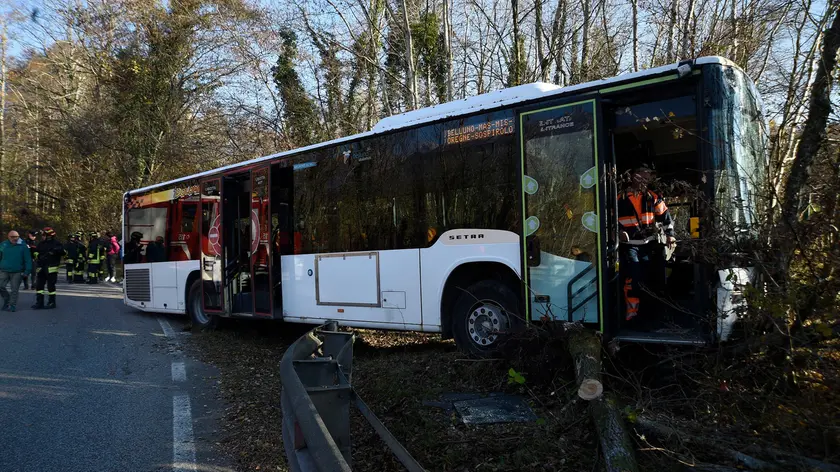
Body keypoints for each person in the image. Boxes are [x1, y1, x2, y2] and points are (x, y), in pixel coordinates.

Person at [617, 165, 676, 321]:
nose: (645, 179)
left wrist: (670, 235)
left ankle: (649, 314)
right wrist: (617, 232)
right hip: (630, 246)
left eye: (648, 176)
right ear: (632, 176)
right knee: (633, 277)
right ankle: (631, 314)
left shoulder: (653, 197)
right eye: (641, 175)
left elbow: (665, 218)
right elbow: (608, 219)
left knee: (650, 277)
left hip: (648, 244)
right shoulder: (619, 198)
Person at [32, 227, 65, 310]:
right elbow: (36, 252)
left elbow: (63, 252)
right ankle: (39, 303)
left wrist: (56, 251)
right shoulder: (41, 244)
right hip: (41, 267)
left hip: (51, 268)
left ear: (49, 236)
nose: (42, 236)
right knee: (39, 286)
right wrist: (37, 255)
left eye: (43, 235)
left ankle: (52, 302)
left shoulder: (57, 244)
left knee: (51, 286)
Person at [0, 231, 33, 312]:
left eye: (16, 237)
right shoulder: (3, 245)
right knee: (1, 286)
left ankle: (12, 305)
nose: (14, 238)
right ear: (8, 237)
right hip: (4, 270)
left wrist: (27, 271)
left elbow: (28, 260)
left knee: (14, 289)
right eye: (12, 237)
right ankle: (7, 300)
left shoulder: (23, 246)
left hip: (17, 271)